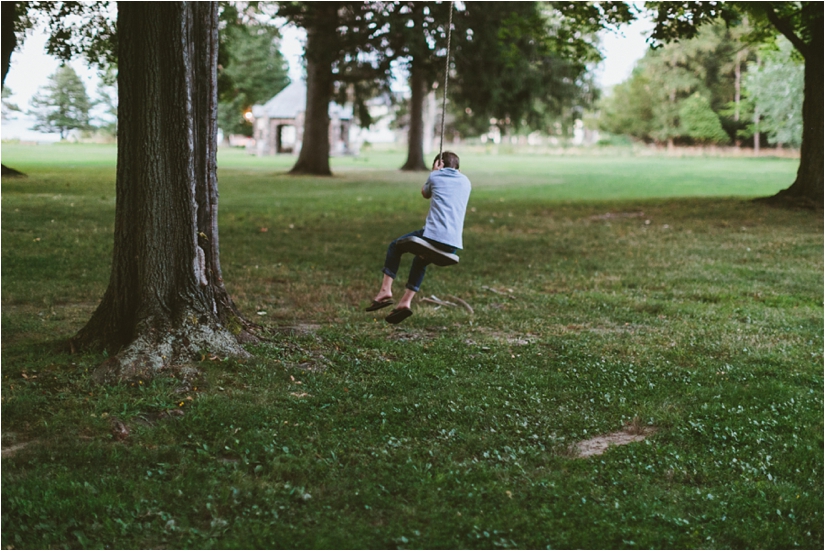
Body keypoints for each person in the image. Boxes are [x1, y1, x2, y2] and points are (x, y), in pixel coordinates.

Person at [366, 151, 472, 324]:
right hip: (452, 245)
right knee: (421, 260)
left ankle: (385, 290)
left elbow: (425, 193)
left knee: (395, 246)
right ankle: (405, 303)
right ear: (458, 169)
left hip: (432, 237)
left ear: (439, 165)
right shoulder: (467, 182)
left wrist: (434, 173)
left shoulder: (435, 177)